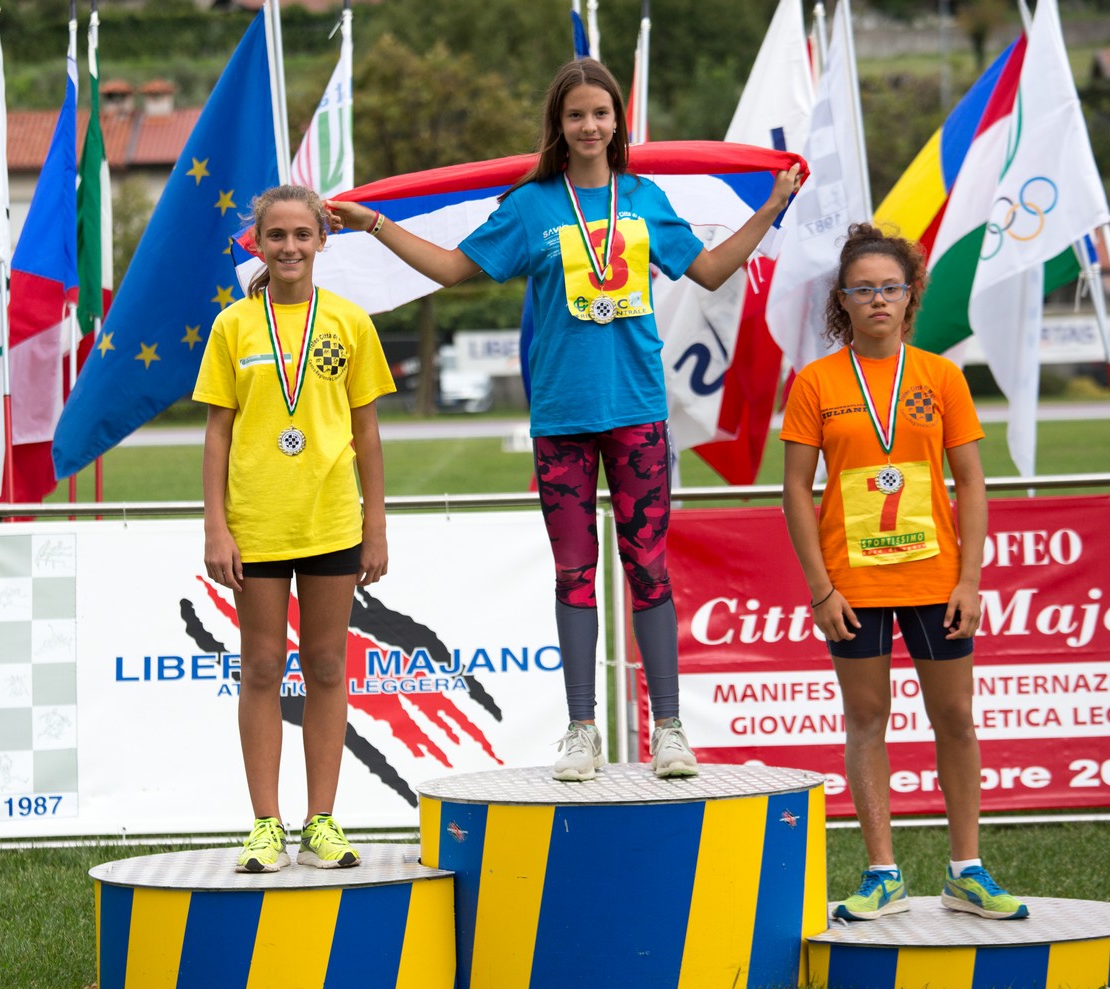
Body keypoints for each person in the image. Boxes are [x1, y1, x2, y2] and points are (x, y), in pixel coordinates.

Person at [328, 57, 801, 782]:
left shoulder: (643, 198)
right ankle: (582, 730)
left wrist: (769, 211)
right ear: (559, 123)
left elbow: (708, 271)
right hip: (562, 417)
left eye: (600, 113)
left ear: (617, 123)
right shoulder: (531, 206)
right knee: (574, 572)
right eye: (576, 114)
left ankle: (669, 729)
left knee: (649, 568)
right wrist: (377, 223)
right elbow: (452, 269)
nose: (589, 126)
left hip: (637, 411)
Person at [780, 223, 1028, 921]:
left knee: (955, 718)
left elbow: (971, 481)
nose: (878, 300)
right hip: (852, 585)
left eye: (890, 287)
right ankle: (882, 873)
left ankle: (966, 870)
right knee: (866, 720)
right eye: (863, 290)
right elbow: (795, 488)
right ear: (842, 299)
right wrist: (821, 588)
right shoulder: (815, 382)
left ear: (911, 295)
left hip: (935, 580)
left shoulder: (941, 376)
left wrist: (969, 580)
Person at [194, 184, 396, 873]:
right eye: (275, 235)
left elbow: (367, 432)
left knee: (329, 667)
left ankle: (322, 821)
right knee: (260, 668)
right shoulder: (232, 326)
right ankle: (265, 825)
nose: (288, 247)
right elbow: (217, 434)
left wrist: (375, 523)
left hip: (331, 519)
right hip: (256, 523)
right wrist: (215, 526)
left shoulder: (349, 322)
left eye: (301, 235)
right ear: (256, 243)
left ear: (322, 241)